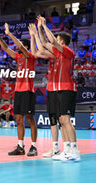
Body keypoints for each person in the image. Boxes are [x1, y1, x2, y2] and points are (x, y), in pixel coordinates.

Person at [33, 15, 80, 161]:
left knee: (66, 119)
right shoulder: (56, 55)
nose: (55, 41)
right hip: (58, 89)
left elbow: (50, 40)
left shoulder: (68, 52)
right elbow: (44, 45)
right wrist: (38, 30)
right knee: (61, 119)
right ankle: (66, 149)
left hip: (67, 88)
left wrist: (45, 25)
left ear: (61, 41)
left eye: (57, 39)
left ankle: (74, 151)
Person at [0, 22, 38, 156]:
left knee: (30, 119)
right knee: (18, 119)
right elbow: (6, 48)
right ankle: (20, 146)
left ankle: (34, 147)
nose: (17, 49)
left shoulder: (30, 56)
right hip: (18, 91)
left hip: (28, 91)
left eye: (20, 47)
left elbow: (19, 45)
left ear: (25, 47)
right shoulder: (18, 57)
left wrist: (9, 33)